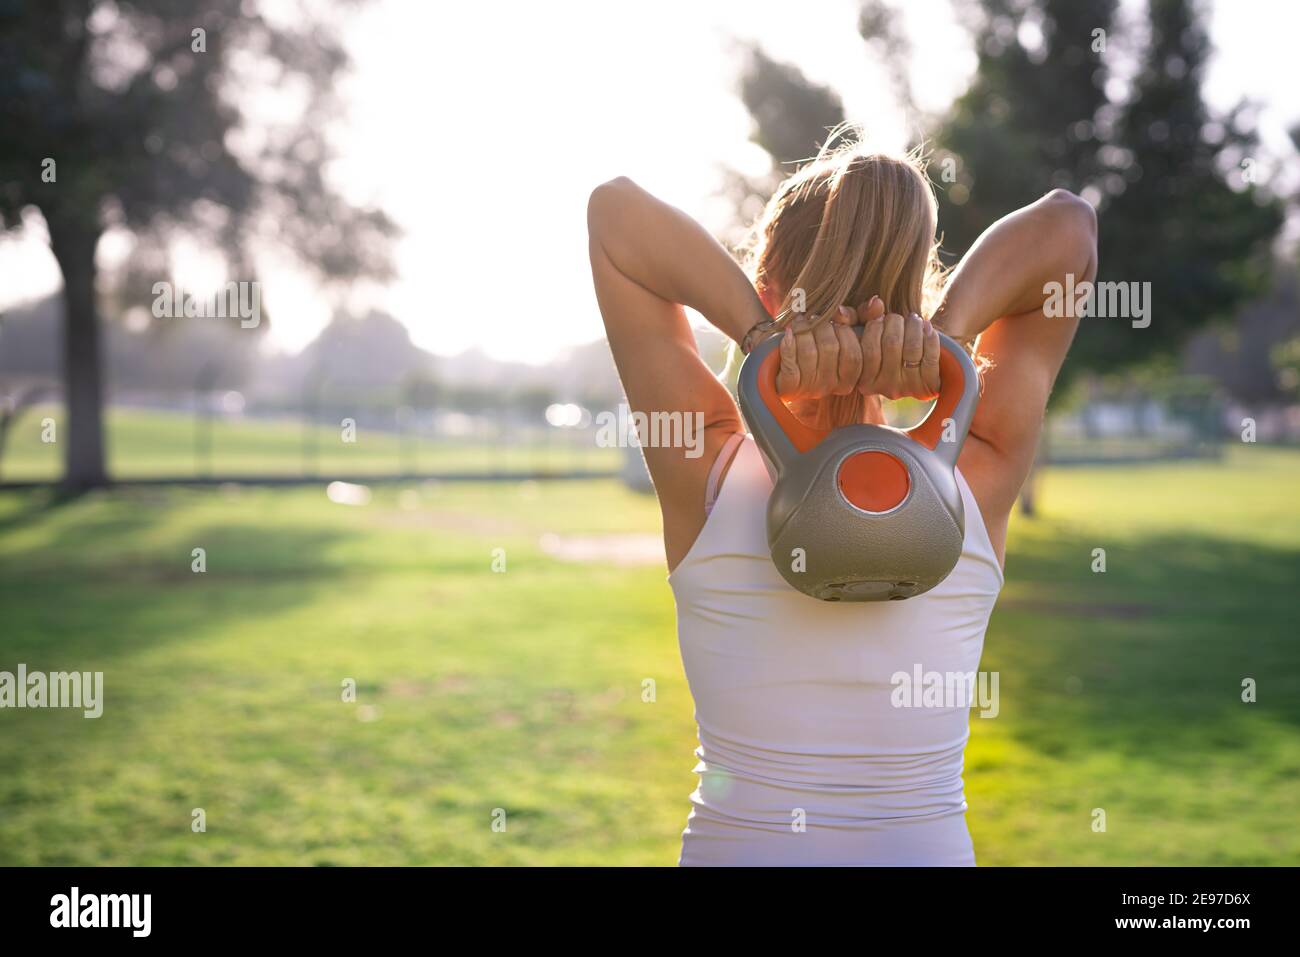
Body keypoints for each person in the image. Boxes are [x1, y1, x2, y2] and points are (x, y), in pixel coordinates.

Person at [586, 127, 1097, 866]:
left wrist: (765, 335)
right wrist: (943, 334)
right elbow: (1069, 229)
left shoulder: (706, 470)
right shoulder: (974, 477)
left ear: (764, 286)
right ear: (915, 301)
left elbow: (614, 217)